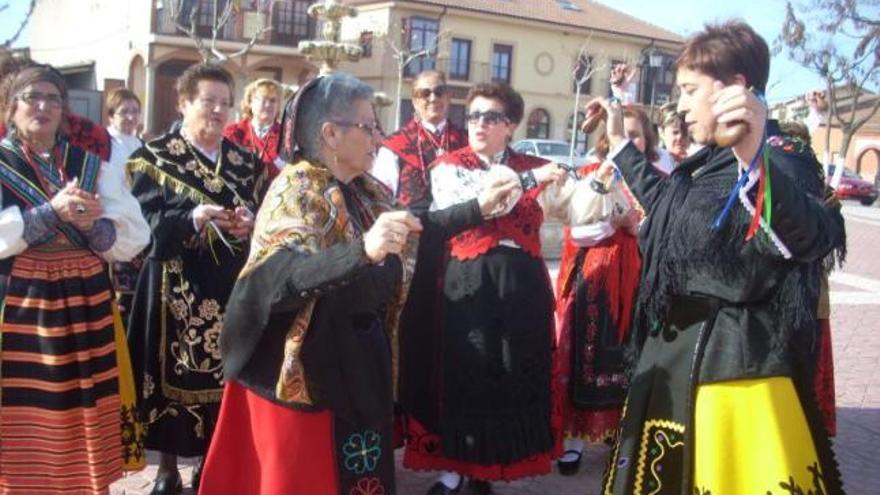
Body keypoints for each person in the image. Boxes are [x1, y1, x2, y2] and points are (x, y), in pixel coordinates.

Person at [198, 72, 518, 495]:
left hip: (356, 370)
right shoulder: (295, 190)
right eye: (368, 126)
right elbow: (278, 280)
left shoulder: (364, 190)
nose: (378, 137)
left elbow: (415, 225)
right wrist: (362, 251)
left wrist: (479, 207)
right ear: (330, 133)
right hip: (304, 382)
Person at [593, 21, 846, 494]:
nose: (681, 105)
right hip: (675, 359)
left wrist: (754, 157)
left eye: (690, 90)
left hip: (733, 376)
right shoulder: (708, 161)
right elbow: (672, 208)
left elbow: (813, 236)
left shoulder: (780, 154)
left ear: (733, 89)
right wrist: (623, 145)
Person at [403, 82, 569, 495]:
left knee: (512, 371)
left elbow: (575, 209)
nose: (478, 123)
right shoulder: (450, 166)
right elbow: (489, 199)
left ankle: (494, 466)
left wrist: (599, 182)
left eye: (490, 117)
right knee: (467, 372)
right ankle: (457, 467)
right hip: (469, 284)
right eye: (473, 115)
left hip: (522, 285)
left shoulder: (539, 163)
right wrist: (534, 177)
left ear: (510, 125)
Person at [0, 64, 150, 494]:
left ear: (65, 110)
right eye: (32, 97)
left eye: (53, 98)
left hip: (86, 305)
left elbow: (133, 236)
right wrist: (52, 213)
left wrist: (89, 226)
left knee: (85, 404)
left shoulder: (89, 165)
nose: (43, 106)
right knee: (32, 410)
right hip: (23, 308)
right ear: (12, 107)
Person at [126, 63, 265, 495]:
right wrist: (191, 218)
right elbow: (141, 226)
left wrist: (250, 224)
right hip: (173, 286)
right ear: (183, 103)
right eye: (208, 102)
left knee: (226, 376)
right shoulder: (152, 158)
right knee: (168, 376)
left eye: (225, 103)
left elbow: (268, 220)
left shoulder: (247, 163)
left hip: (231, 286)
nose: (218, 112)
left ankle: (210, 463)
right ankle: (167, 467)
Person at [553, 111, 647, 476]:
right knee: (585, 359)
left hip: (638, 280)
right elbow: (578, 232)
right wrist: (615, 223)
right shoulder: (594, 175)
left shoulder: (650, 179)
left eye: (638, 135)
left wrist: (640, 228)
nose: (632, 141)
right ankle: (575, 440)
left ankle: (619, 437)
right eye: (626, 134)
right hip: (596, 279)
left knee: (628, 360)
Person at [372, 70, 467, 210]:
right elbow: (381, 196)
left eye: (439, 92)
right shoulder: (394, 145)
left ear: (447, 97)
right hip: (413, 227)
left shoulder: (466, 141)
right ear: (415, 102)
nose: (433, 98)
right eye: (425, 93)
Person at [105, 88, 144, 324]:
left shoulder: (141, 144)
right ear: (111, 115)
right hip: (116, 220)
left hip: (139, 220)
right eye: (124, 112)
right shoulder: (105, 144)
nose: (131, 117)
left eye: (135, 111)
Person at [223, 78, 284, 180]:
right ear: (250, 102)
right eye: (263, 100)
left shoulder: (286, 136)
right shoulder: (233, 133)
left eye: (273, 101)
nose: (268, 105)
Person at [655, 101, 691, 170]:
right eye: (675, 132)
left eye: (685, 132)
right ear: (661, 132)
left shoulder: (699, 164)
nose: (680, 136)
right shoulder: (654, 164)